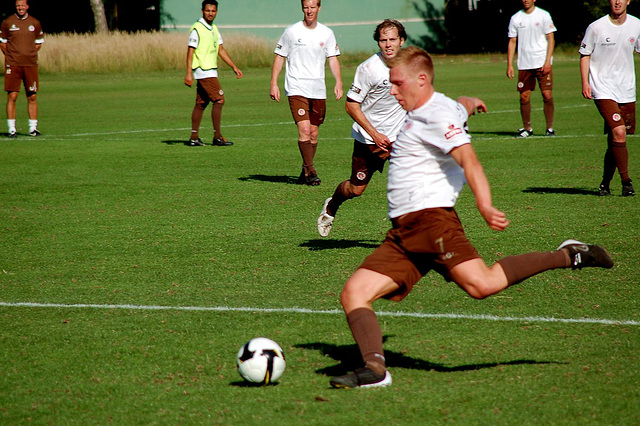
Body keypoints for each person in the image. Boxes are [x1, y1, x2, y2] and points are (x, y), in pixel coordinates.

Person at [329, 46, 614, 389]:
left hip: (433, 223)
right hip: (404, 233)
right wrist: (468, 102)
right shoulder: (436, 108)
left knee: (484, 285)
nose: (391, 90)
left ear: (421, 80)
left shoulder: (436, 114)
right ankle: (374, 370)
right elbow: (457, 109)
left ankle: (569, 254)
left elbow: (469, 160)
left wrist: (485, 205)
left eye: (397, 83)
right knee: (354, 293)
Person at [317, 20, 406, 237]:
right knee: (355, 190)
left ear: (402, 41)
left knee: (408, 185)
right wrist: (375, 134)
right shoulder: (368, 69)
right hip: (369, 140)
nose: (388, 44)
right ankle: (332, 205)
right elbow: (351, 105)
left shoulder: (413, 64)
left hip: (402, 138)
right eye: (383, 40)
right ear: (378, 42)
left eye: (392, 39)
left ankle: (405, 236)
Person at [270, 0, 343, 186]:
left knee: (313, 133)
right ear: (302, 8)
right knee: (304, 129)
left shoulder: (327, 33)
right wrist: (274, 83)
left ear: (319, 8)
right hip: (296, 87)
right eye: (306, 7)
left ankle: (305, 169)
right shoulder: (292, 31)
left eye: (313, 7)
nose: (309, 11)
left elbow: (332, 59)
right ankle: (311, 172)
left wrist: (339, 82)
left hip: (317, 89)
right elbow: (279, 56)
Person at [579, 0, 639, 197]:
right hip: (602, 88)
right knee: (619, 132)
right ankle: (626, 182)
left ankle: (605, 183)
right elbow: (585, 54)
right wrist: (585, 82)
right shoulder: (596, 27)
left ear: (628, 1)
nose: (617, 1)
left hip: (626, 90)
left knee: (615, 139)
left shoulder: (636, 25)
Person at [185, 0, 243, 147]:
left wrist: (233, 66)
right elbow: (190, 52)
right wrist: (188, 73)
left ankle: (194, 138)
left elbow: (221, 50)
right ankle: (217, 137)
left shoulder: (214, 29)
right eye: (208, 10)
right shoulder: (197, 28)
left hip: (211, 71)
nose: (210, 13)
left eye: (213, 11)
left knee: (201, 104)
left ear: (216, 11)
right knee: (219, 99)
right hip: (204, 71)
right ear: (202, 11)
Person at [506, 0, 556, 138]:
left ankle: (549, 128)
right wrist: (509, 64)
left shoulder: (543, 15)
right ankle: (527, 128)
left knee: (547, 94)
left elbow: (551, 38)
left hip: (541, 62)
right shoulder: (516, 18)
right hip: (524, 64)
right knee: (524, 96)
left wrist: (547, 61)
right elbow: (512, 41)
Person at [0, 0, 44, 138]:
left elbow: (38, 44)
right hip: (13, 65)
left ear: (27, 6)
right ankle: (12, 129)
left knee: (32, 96)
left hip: (30, 64)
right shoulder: (7, 22)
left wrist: (28, 53)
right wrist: (12, 57)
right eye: (18, 5)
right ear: (16, 6)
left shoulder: (35, 23)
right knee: (12, 95)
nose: (20, 8)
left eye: (22, 5)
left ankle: (33, 129)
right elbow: (3, 43)